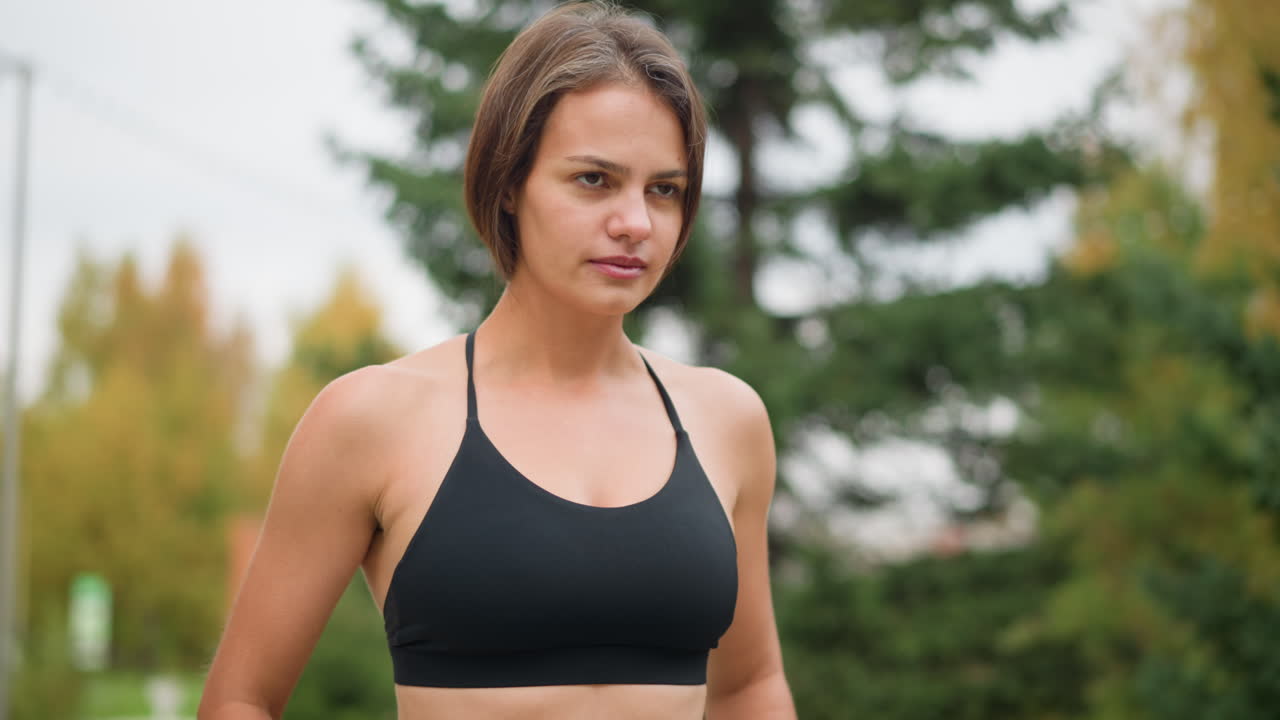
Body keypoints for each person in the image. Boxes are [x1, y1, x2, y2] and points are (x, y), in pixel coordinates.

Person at [198, 3, 796, 718]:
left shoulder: (726, 420)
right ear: (509, 182)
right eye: (594, 180)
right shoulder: (373, 419)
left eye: (662, 189)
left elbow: (751, 688)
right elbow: (241, 701)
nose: (635, 222)